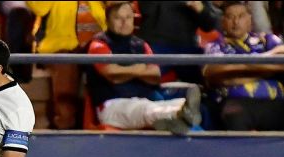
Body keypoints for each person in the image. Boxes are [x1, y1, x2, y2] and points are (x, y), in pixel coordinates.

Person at [86, 1, 202, 134]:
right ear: (107, 21)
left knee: (173, 105)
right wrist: (139, 69)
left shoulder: (141, 45)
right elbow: (112, 74)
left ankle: (177, 116)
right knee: (145, 109)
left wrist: (126, 71)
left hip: (143, 99)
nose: (124, 22)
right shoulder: (98, 44)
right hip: (112, 106)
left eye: (128, 17)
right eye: (118, 18)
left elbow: (155, 76)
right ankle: (177, 114)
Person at [203, 1, 284, 131]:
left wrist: (238, 70)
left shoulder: (266, 39)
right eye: (230, 17)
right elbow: (214, 73)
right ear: (223, 21)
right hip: (236, 102)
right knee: (234, 114)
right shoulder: (216, 46)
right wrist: (265, 71)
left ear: (250, 19)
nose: (236, 21)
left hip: (275, 102)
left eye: (241, 16)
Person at [27, 1, 107, 129]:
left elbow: (108, 22)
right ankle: (64, 127)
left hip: (96, 48)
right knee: (66, 65)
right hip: (60, 48)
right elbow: (39, 7)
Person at [136, 1, 221, 83]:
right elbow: (146, 9)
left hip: (188, 47)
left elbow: (210, 25)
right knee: (144, 79)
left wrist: (201, 10)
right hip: (156, 44)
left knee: (209, 77)